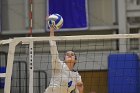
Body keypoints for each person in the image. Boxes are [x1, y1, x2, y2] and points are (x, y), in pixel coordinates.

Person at [44, 26, 84, 93]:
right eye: (67, 54)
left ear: (75, 60)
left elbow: (79, 91)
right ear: (64, 59)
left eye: (72, 54)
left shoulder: (77, 76)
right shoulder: (58, 64)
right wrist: (51, 31)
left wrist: (80, 89)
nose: (70, 55)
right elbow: (53, 47)